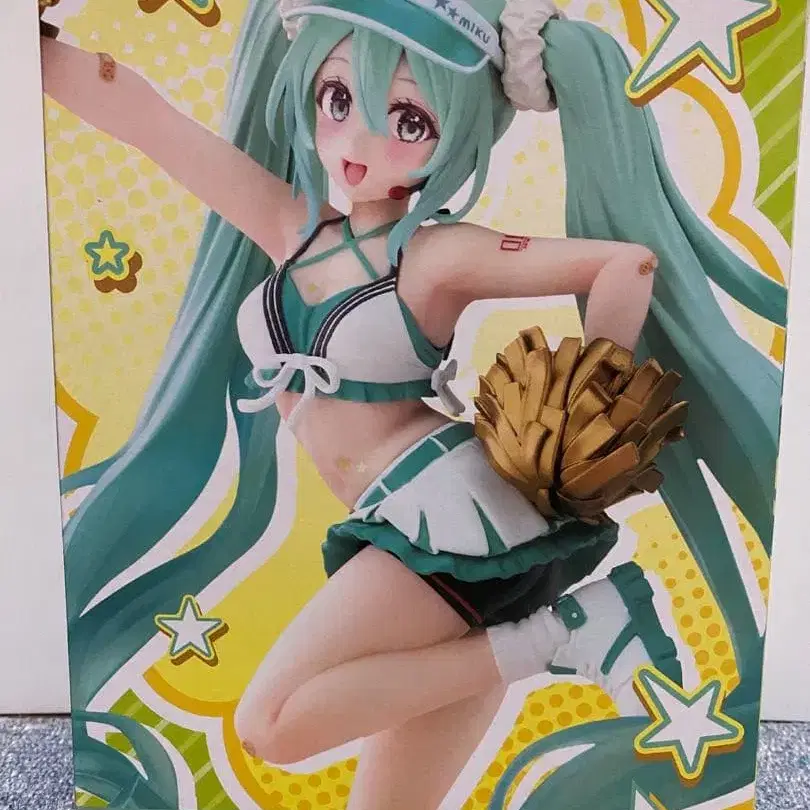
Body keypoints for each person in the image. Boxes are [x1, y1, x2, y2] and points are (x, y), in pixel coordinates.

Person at [41, 0, 787, 808]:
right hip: (412, 536)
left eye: (407, 120)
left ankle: (562, 635)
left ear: (457, 133)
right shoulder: (294, 227)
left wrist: (587, 412)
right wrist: (33, 50)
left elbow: (625, 264)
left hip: (446, 523)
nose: (358, 143)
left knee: (271, 723)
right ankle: (552, 634)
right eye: (338, 100)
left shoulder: (433, 260)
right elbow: (151, 125)